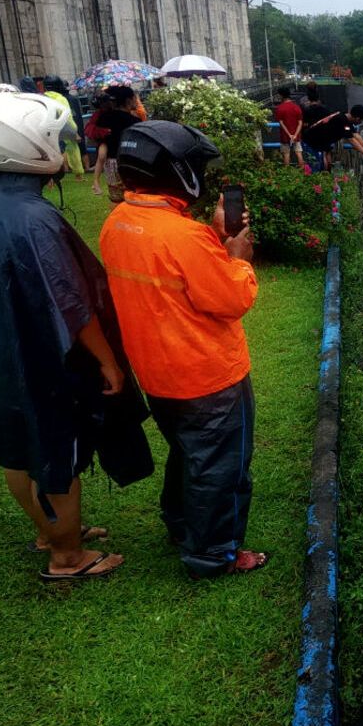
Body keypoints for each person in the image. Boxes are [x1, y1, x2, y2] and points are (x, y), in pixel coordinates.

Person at [0, 92, 152, 582]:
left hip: (2, 352)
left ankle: (51, 531)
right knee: (55, 447)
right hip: (39, 353)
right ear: (33, 148)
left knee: (18, 444)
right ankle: (67, 558)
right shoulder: (35, 220)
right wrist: (107, 361)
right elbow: (71, 303)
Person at [100, 121, 269, 578]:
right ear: (177, 171)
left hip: (159, 373)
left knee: (188, 452)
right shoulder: (182, 235)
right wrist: (238, 259)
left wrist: (213, 239)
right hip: (208, 375)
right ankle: (214, 553)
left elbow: (173, 283)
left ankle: (180, 523)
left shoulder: (120, 222)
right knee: (221, 467)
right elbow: (231, 299)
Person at [97, 85, 142, 200]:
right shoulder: (134, 121)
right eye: (134, 98)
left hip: (111, 164)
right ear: (128, 100)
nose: (137, 101)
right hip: (129, 163)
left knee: (116, 199)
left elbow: (101, 145)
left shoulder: (103, 118)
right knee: (133, 197)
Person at [302, 104, 363, 170]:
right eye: (362, 120)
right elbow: (352, 140)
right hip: (310, 142)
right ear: (357, 118)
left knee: (322, 166)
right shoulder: (342, 120)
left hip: (317, 143)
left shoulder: (344, 117)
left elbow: (356, 135)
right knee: (314, 167)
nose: (361, 122)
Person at [42, 76, 84, 180]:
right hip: (62, 128)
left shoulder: (41, 98)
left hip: (46, 130)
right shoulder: (61, 99)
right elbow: (67, 117)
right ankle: (77, 175)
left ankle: (52, 176)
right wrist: (75, 133)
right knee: (71, 149)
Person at [273, 87, 304, 168]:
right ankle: (303, 173)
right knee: (299, 153)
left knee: (286, 154)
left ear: (281, 95)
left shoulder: (280, 108)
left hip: (285, 136)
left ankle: (287, 174)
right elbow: (300, 123)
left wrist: (289, 134)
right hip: (296, 136)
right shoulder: (296, 107)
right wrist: (295, 135)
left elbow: (281, 123)